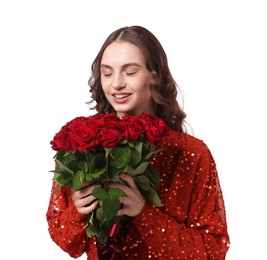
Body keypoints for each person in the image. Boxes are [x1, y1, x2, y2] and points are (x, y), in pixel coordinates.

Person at [46, 25, 230, 259]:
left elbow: (213, 252)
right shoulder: (84, 145)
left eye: (130, 72)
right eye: (107, 73)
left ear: (155, 75)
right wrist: (78, 212)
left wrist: (144, 213)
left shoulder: (190, 153)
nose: (117, 84)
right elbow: (67, 242)